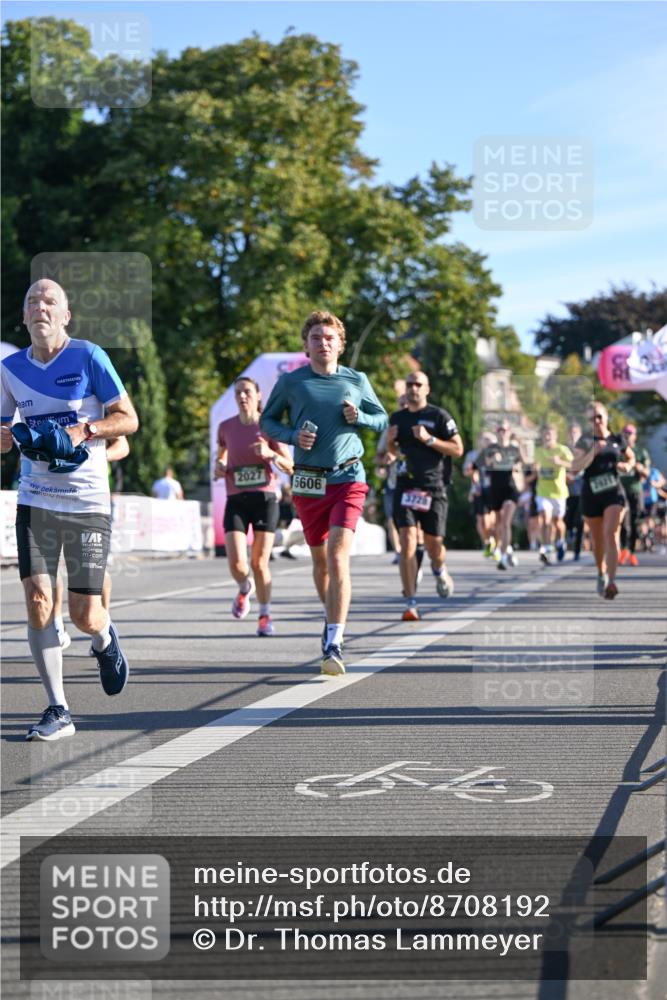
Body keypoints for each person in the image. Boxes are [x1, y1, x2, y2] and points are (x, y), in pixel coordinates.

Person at [0, 278, 138, 741]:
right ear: (24, 316)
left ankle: (104, 638)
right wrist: (6, 438)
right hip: (35, 498)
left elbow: (129, 419)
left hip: (87, 503)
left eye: (49, 301)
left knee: (83, 614)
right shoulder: (10, 369)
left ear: (65, 315)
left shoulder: (89, 356)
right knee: (39, 601)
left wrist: (85, 430)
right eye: (32, 302)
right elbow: (2, 433)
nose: (39, 307)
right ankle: (58, 708)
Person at [260, 310, 387, 674]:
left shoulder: (357, 380)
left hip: (349, 476)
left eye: (330, 338)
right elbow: (267, 421)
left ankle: (334, 641)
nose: (323, 343)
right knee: (320, 561)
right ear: (306, 345)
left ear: (340, 345)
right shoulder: (292, 382)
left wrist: (360, 418)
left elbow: (382, 419)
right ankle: (330, 615)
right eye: (316, 338)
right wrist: (292, 436)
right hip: (308, 482)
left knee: (337, 556)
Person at [215, 376, 293, 636]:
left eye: (247, 391)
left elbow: (290, 465)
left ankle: (265, 615)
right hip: (236, 499)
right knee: (237, 564)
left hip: (264, 499)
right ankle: (244, 588)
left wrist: (270, 454)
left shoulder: (269, 427)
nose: (242, 396)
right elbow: (221, 454)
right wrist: (219, 466)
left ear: (258, 395)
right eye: (238, 392)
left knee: (259, 563)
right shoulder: (226, 427)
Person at [387, 372, 463, 621]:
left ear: (427, 389)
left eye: (418, 384)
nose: (413, 388)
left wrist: (429, 439)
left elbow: (458, 448)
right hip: (406, 486)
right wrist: (390, 443)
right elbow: (392, 452)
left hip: (433, 487)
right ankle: (410, 602)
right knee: (408, 541)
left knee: (434, 546)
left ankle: (439, 569)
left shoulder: (439, 416)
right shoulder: (397, 418)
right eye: (409, 384)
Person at [53, 435, 130, 648]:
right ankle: (56, 623)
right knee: (48, 564)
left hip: (91, 500)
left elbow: (122, 445)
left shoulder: (95, 416)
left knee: (95, 567)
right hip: (48, 496)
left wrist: (99, 456)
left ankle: (102, 623)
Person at [570, 402, 634, 599]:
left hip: (613, 492)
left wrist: (627, 466)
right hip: (591, 494)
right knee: (598, 540)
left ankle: (612, 582)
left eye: (599, 416)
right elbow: (575, 467)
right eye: (592, 418)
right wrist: (593, 453)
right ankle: (601, 572)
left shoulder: (617, 439)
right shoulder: (585, 441)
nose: (596, 421)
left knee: (611, 533)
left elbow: (631, 458)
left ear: (606, 417)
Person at [478, 422, 524, 570]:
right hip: (495, 489)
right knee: (498, 525)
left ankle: (503, 557)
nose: (502, 432)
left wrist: (519, 465)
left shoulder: (514, 449)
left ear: (509, 431)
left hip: (510, 489)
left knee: (505, 522)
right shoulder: (490, 448)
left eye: (505, 429)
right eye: (500, 429)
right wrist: (491, 460)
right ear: (496, 432)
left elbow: (524, 464)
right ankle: (507, 548)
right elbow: (479, 465)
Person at [532, 423, 573, 565]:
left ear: (555, 436)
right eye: (545, 434)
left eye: (549, 434)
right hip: (543, 491)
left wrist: (560, 462)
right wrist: (535, 468)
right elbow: (534, 467)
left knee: (558, 522)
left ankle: (561, 541)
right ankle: (546, 548)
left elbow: (574, 465)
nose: (547, 437)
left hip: (559, 492)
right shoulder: (538, 451)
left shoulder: (562, 450)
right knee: (545, 519)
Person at [618, 423, 650, 567]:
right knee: (622, 522)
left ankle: (632, 552)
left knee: (635, 522)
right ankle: (623, 550)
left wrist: (640, 468)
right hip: (620, 490)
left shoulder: (641, 452)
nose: (627, 435)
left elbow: (647, 474)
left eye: (630, 433)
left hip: (636, 490)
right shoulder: (618, 449)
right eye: (625, 432)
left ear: (635, 436)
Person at [463, 431, 497, 558]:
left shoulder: (495, 455)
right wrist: (471, 471)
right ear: (479, 441)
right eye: (485, 439)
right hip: (477, 490)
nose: (487, 441)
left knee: (490, 521)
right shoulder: (472, 455)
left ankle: (493, 542)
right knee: (480, 521)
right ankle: (487, 542)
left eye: (489, 439)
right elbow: (466, 472)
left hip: (492, 491)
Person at [565, 422, 584, 561]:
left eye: (576, 432)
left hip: (582, 491)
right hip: (567, 491)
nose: (573, 435)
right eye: (571, 432)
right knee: (568, 520)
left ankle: (577, 550)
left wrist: (575, 475)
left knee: (580, 521)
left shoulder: (585, 450)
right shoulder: (564, 450)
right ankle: (568, 535)